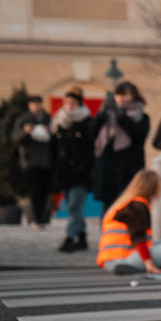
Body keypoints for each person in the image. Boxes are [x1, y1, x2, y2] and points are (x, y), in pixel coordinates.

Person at [96, 170, 161, 274]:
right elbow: (139, 237)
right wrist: (150, 265)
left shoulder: (123, 204)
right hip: (124, 259)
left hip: (109, 260)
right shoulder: (138, 206)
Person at [90, 81, 150, 216]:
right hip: (107, 170)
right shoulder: (106, 116)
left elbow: (138, 135)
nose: (121, 98)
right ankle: (107, 235)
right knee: (107, 208)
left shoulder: (142, 117)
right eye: (118, 95)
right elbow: (92, 132)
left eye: (124, 95)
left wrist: (121, 117)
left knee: (128, 207)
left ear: (134, 96)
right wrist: (101, 114)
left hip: (128, 170)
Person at [51, 87, 94, 252]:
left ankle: (69, 238)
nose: (69, 106)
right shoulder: (58, 121)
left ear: (79, 104)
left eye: (73, 103)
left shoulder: (86, 122)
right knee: (71, 208)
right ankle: (82, 238)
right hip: (64, 173)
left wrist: (84, 166)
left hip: (81, 173)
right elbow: (54, 147)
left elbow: (91, 150)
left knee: (75, 207)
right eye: (67, 102)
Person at [11, 95, 53, 230]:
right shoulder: (23, 120)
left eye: (38, 103)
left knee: (44, 191)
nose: (36, 106)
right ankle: (35, 218)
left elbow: (56, 139)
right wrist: (25, 132)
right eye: (33, 104)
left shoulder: (48, 119)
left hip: (46, 161)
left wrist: (50, 133)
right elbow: (15, 140)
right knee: (35, 190)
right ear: (29, 105)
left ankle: (41, 218)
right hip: (30, 162)